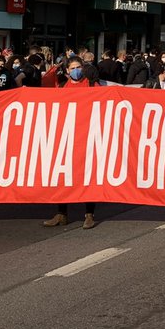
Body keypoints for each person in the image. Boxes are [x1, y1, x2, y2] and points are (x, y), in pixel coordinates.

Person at [44, 59, 101, 230]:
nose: (76, 70)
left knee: (87, 176)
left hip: (87, 136)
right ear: (68, 70)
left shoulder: (92, 85)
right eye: (73, 68)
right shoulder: (62, 88)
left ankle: (89, 215)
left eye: (78, 67)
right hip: (67, 137)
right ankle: (62, 214)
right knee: (63, 176)